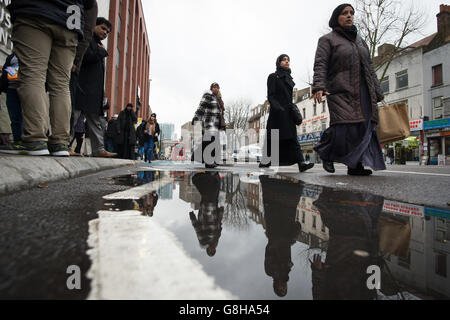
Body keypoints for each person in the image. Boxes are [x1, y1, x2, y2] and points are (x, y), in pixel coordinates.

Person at [0, 0, 95, 156]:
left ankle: (35, 139)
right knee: (61, 85)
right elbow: (90, 3)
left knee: (33, 75)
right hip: (70, 21)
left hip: (36, 13)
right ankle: (60, 143)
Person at [311, 4, 386, 176]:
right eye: (345, 13)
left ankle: (355, 166)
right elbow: (320, 64)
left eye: (351, 13)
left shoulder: (360, 41)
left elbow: (370, 68)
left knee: (363, 127)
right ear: (336, 17)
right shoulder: (327, 40)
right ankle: (326, 153)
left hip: (364, 92)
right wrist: (319, 86)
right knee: (343, 128)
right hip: (340, 90)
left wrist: (377, 91)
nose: (349, 16)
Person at [260, 55, 314, 173]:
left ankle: (301, 163)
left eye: (288, 60)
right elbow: (271, 95)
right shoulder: (273, 76)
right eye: (284, 60)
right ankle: (266, 161)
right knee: (273, 138)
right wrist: (278, 108)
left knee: (293, 138)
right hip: (277, 113)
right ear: (279, 62)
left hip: (288, 112)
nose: (287, 61)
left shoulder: (289, 78)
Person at [73, 17, 116, 158]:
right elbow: (85, 58)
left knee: (95, 122)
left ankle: (99, 150)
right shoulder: (86, 40)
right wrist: (102, 52)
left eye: (107, 31)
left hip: (94, 91)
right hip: (81, 86)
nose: (105, 33)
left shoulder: (98, 44)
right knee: (73, 116)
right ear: (94, 25)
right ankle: (63, 145)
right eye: (103, 28)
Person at [260, 175, 303, 297]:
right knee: (287, 206)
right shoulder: (287, 271)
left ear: (276, 287)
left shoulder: (270, 271)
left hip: (277, 231)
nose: (283, 287)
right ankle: (289, 180)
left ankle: (275, 179)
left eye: (281, 289)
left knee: (277, 207)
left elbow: (271, 251)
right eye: (285, 290)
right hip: (285, 230)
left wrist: (290, 239)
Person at [189, 172, 224, 257]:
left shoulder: (204, 242)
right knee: (214, 188)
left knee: (209, 192)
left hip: (206, 211)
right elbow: (219, 223)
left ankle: (199, 177)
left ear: (207, 250)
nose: (212, 249)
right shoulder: (216, 239)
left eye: (210, 251)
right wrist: (221, 211)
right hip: (214, 207)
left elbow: (197, 229)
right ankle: (213, 175)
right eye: (213, 250)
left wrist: (192, 218)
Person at [192, 83, 223, 169]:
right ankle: (206, 160)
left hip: (216, 124)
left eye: (218, 87)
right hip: (209, 122)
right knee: (210, 140)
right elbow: (201, 107)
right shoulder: (207, 96)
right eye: (214, 87)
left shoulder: (217, 99)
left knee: (214, 142)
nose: (216, 89)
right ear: (211, 88)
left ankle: (210, 161)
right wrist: (196, 117)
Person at [0, 53, 22, 143]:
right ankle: (17, 140)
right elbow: (5, 75)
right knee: (14, 118)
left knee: (26, 117)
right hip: (11, 90)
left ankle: (27, 140)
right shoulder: (11, 57)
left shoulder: (33, 54)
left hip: (27, 89)